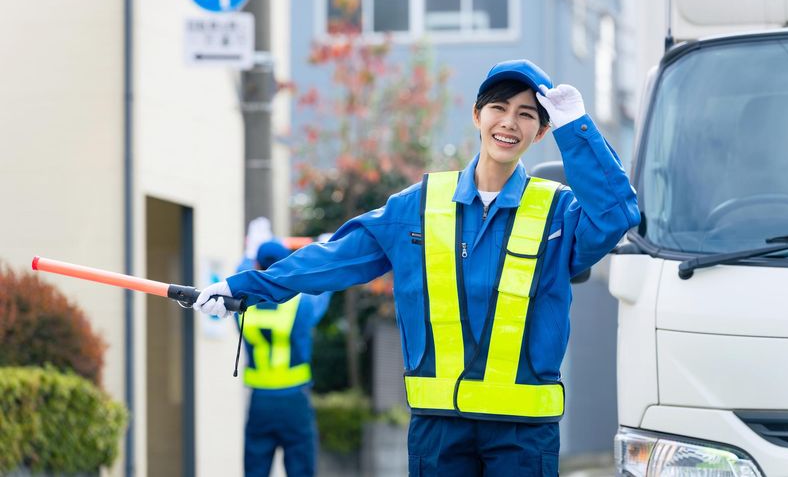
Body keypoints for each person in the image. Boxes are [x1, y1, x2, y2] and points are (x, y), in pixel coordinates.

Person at [196, 59, 640, 476]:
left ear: (542, 131)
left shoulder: (558, 213)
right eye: (499, 108)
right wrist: (245, 287)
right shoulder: (418, 207)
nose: (509, 122)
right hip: (438, 431)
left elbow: (617, 214)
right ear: (476, 115)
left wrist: (576, 129)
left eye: (527, 114)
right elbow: (333, 259)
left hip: (523, 435)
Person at [238, 239, 331, 477]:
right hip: (295, 400)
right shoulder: (302, 303)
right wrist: (326, 249)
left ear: (258, 265)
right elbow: (326, 285)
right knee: (301, 469)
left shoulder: (242, 305)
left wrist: (247, 255)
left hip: (260, 401)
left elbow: (238, 277)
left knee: (255, 470)